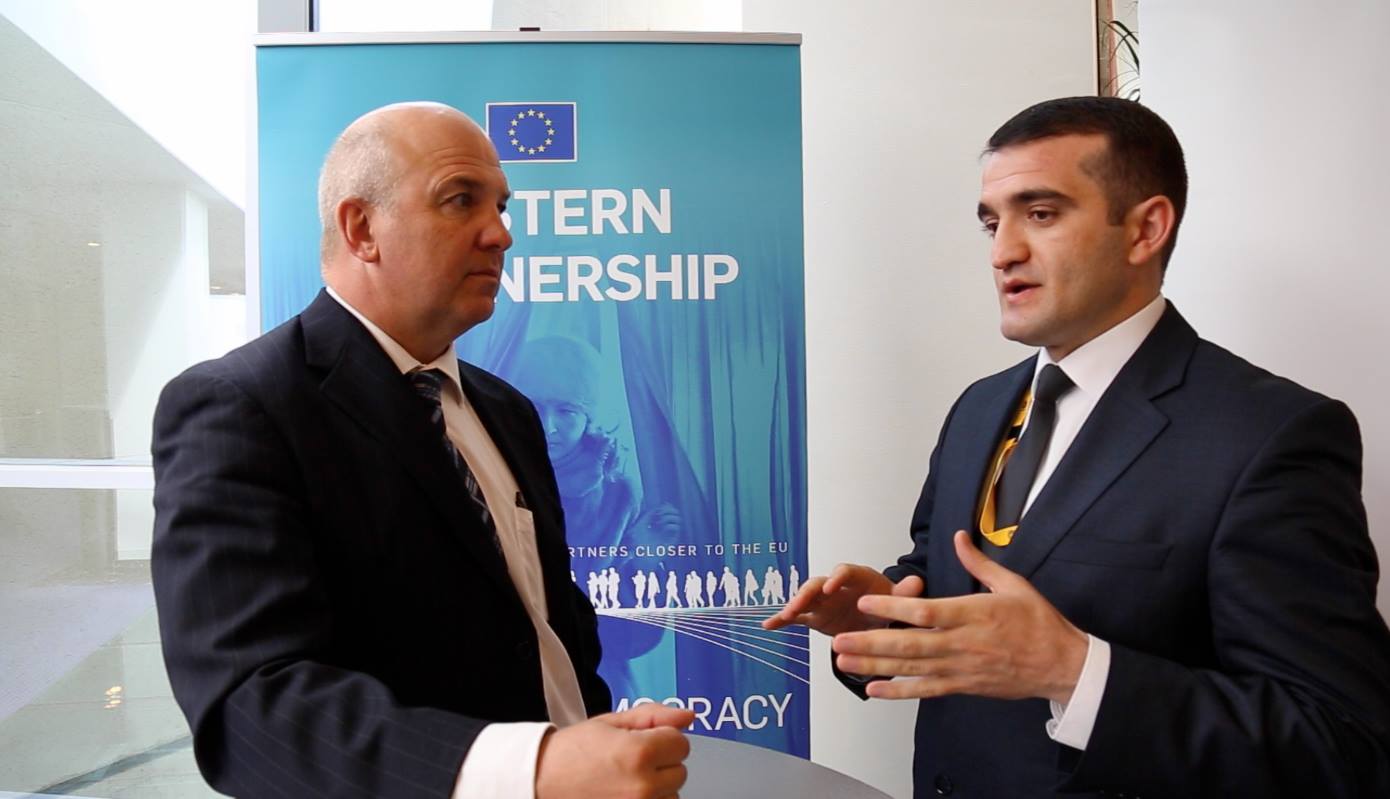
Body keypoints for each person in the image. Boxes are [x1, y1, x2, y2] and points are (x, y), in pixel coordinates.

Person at [766, 96, 1390, 798]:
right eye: (992, 222)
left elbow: (1341, 745)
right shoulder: (978, 409)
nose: (1002, 252)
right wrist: (887, 613)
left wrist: (1076, 670)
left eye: (1040, 214)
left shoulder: (1269, 434)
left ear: (1146, 229)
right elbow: (950, 580)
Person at [151, 102, 692, 799]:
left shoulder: (506, 410)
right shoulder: (242, 406)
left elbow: (545, 619)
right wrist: (529, 767)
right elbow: (248, 707)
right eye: (460, 200)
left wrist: (589, 730)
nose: (500, 234)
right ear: (361, 229)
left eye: (501, 206)